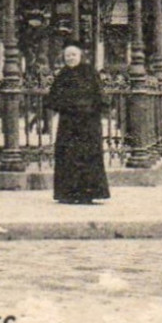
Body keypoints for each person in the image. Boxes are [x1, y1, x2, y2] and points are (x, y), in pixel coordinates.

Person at [41, 45, 109, 205]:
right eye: (67, 56)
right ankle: (68, 193)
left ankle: (88, 193)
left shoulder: (90, 72)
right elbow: (52, 99)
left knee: (88, 155)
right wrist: (66, 106)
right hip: (68, 123)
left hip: (88, 123)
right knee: (68, 156)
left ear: (80, 56)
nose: (70, 58)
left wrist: (91, 110)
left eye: (73, 55)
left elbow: (100, 96)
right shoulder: (62, 75)